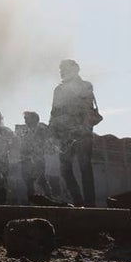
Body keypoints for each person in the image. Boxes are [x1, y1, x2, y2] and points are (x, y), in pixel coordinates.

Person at [49, 59, 102, 206]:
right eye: (61, 69)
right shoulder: (59, 89)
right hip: (64, 135)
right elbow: (54, 112)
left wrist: (84, 129)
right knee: (65, 169)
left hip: (82, 133)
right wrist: (51, 130)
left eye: (64, 68)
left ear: (75, 69)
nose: (61, 71)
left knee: (85, 167)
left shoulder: (85, 86)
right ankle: (78, 202)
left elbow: (87, 109)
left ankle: (90, 205)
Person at [18, 110, 60, 201]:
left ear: (34, 119)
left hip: (38, 160)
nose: (25, 121)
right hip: (26, 161)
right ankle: (32, 202)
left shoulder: (43, 131)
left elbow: (49, 146)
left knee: (41, 180)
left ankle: (50, 199)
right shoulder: (25, 133)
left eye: (27, 118)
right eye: (25, 119)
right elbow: (22, 148)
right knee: (29, 183)